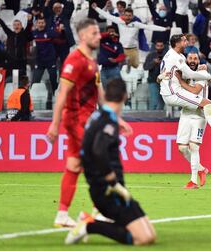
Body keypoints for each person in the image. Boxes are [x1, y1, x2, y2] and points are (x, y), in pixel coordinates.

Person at [46, 18, 132, 228]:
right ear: (83, 36)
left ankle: (62, 214)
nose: (98, 37)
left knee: (74, 165)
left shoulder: (92, 61)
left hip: (86, 119)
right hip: (76, 119)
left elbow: (100, 94)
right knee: (98, 161)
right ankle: (100, 211)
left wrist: (116, 118)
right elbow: (62, 94)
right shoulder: (74, 60)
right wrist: (55, 124)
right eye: (94, 33)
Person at [65, 79, 156, 246]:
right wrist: (112, 181)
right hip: (107, 191)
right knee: (143, 239)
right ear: (125, 96)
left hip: (109, 189)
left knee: (151, 235)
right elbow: (99, 151)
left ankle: (88, 221)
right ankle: (89, 226)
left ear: (106, 96)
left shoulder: (97, 116)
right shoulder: (108, 121)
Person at [159, 34, 211, 143]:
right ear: (177, 44)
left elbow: (180, 73)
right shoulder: (175, 57)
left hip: (172, 91)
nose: (186, 43)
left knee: (187, 147)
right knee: (206, 104)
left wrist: (161, 78)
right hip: (172, 93)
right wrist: (207, 76)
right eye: (184, 41)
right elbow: (189, 74)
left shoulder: (175, 55)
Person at [175, 52, 211, 189]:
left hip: (200, 115)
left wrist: (180, 81)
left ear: (198, 60)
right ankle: (202, 169)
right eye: (190, 58)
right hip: (185, 114)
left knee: (194, 146)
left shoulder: (201, 74)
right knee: (182, 148)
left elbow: (195, 91)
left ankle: (193, 181)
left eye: (195, 58)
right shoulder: (183, 73)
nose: (192, 60)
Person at [92, 4, 168, 69]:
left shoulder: (136, 24)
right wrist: (96, 8)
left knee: (136, 66)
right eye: (126, 15)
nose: (128, 17)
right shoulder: (119, 21)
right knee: (120, 66)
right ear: (123, 15)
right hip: (122, 49)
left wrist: (164, 29)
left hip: (133, 49)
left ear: (132, 16)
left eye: (129, 16)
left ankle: (129, 65)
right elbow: (107, 16)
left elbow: (149, 27)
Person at [0, 10, 33, 77]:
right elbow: (3, 25)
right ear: (13, 27)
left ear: (21, 26)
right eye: (15, 25)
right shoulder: (10, 34)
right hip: (11, 62)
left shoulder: (24, 34)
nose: (16, 26)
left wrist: (29, 21)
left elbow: (28, 28)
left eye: (18, 25)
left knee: (21, 80)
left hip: (21, 61)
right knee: (10, 79)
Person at [31, 16, 59, 96]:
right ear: (36, 24)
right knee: (35, 81)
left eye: (42, 23)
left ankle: (56, 97)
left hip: (50, 60)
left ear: (45, 23)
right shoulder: (34, 33)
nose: (41, 24)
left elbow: (58, 33)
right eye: (39, 23)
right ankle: (31, 98)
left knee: (53, 80)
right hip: (39, 61)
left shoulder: (49, 32)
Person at [44, 0, 76, 66]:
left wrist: (69, 1)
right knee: (52, 63)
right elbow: (45, 10)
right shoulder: (50, 17)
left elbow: (70, 7)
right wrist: (47, 2)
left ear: (62, 9)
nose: (57, 9)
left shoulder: (65, 16)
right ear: (53, 9)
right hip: (52, 44)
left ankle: (63, 76)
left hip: (64, 44)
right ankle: (53, 75)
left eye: (59, 8)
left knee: (65, 63)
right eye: (55, 8)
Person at [143, 40, 166, 110]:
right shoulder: (150, 55)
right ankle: (150, 118)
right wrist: (154, 62)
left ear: (164, 46)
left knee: (162, 102)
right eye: (158, 46)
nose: (159, 47)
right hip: (153, 80)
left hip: (164, 81)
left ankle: (160, 119)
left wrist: (162, 63)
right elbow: (145, 67)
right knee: (154, 100)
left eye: (161, 46)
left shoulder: (167, 55)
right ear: (155, 46)